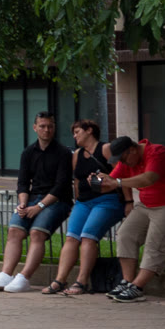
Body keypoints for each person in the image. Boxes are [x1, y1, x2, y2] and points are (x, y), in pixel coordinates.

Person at [97, 135, 165, 303]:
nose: (122, 163)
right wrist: (98, 182)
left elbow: (149, 178)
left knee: (156, 244)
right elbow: (110, 184)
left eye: (123, 159)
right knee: (125, 234)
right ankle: (127, 281)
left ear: (132, 150)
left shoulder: (157, 153)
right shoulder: (127, 160)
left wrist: (117, 182)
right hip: (147, 204)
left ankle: (137, 287)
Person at [0, 112, 71, 295]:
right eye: (42, 126)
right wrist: (23, 204)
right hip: (33, 198)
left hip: (57, 201)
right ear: (35, 128)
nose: (46, 130)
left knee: (36, 233)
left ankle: (24, 278)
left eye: (50, 126)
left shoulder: (63, 153)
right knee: (14, 230)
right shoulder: (28, 152)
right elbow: (23, 183)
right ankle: (5, 274)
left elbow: (61, 186)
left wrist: (39, 207)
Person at [47, 120, 120, 297]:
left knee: (88, 236)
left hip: (106, 199)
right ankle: (60, 279)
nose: (75, 136)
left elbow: (121, 173)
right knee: (71, 237)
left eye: (77, 132)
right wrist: (77, 201)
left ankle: (82, 281)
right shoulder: (78, 154)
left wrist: (129, 201)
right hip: (84, 202)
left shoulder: (105, 148)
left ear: (89, 131)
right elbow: (77, 180)